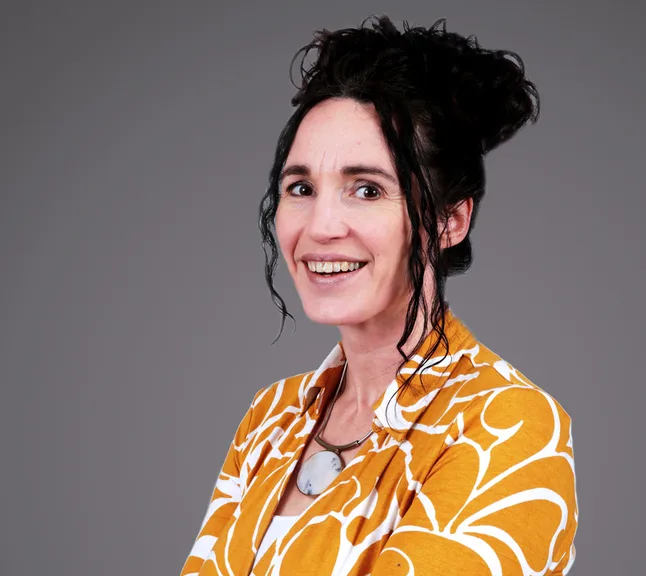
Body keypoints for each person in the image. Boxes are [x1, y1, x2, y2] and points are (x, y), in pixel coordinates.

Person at [180, 15, 577, 576]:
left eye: (367, 189)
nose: (320, 225)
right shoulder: (270, 420)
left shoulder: (506, 424)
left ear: (449, 220)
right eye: (301, 188)